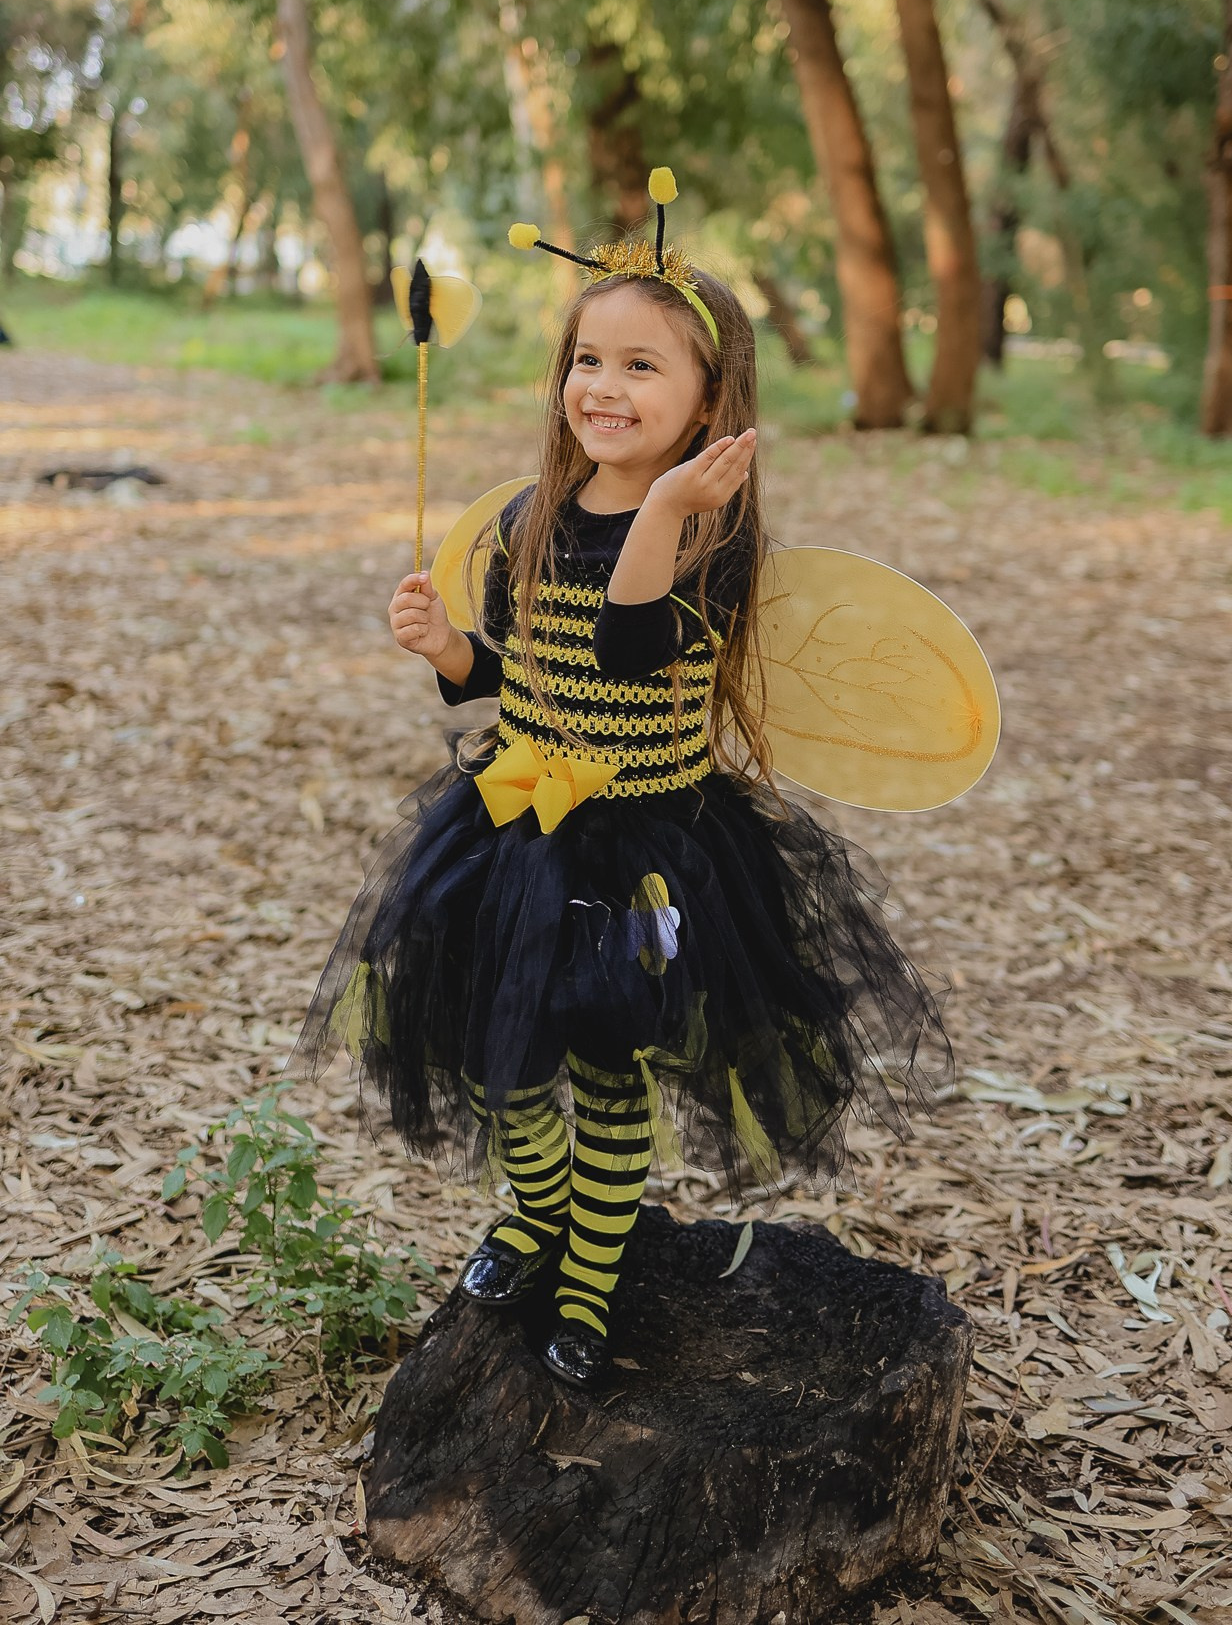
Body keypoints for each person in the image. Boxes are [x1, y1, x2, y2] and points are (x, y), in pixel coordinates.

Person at [288, 177, 949, 1389]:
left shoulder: (707, 532)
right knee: (509, 1063)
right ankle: (535, 1217)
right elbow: (521, 667)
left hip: (641, 852)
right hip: (512, 834)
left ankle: (594, 1268)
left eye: (642, 367)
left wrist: (657, 512)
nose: (601, 386)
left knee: (608, 1068)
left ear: (710, 401)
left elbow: (630, 641)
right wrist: (448, 653)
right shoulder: (534, 516)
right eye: (587, 358)